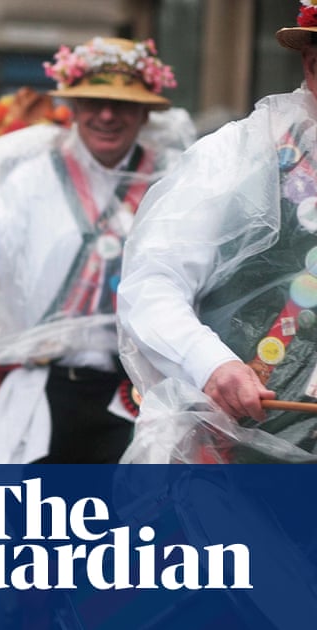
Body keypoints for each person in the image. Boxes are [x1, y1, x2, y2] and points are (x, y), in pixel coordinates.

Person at [0, 36, 181, 464]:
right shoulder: (33, 179)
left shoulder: (173, 181)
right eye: (94, 101)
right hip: (49, 387)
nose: (106, 115)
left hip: (144, 394)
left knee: (135, 507)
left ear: (145, 112)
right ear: (74, 108)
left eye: (122, 104)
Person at [118, 4, 317, 464]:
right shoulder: (236, 155)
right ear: (311, 64)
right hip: (242, 449)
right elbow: (153, 282)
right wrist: (211, 364)